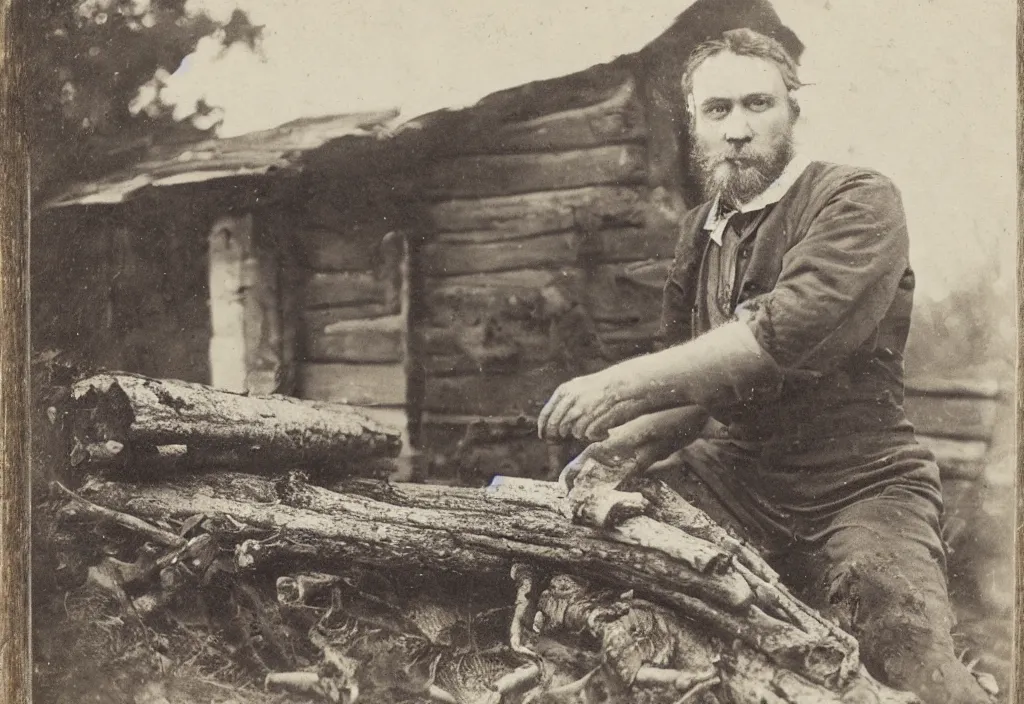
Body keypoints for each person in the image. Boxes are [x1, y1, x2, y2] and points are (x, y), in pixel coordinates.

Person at [537, 27, 992, 704]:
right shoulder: (702, 231)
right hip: (737, 479)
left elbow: (786, 331)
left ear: (794, 113)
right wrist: (621, 445)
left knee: (901, 636)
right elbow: (697, 382)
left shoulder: (855, 200)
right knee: (607, 575)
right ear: (694, 125)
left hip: (860, 481)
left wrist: (619, 383)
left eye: (758, 105)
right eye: (717, 111)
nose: (738, 130)